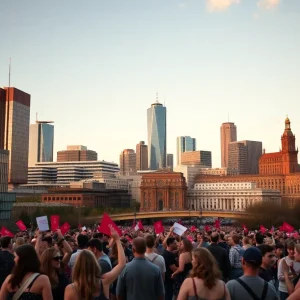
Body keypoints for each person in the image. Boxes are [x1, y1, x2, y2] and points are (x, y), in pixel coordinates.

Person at [64, 227, 125, 300]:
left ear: (77, 266)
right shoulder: (104, 281)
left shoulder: (70, 289)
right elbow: (122, 264)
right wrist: (117, 240)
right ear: (95, 264)